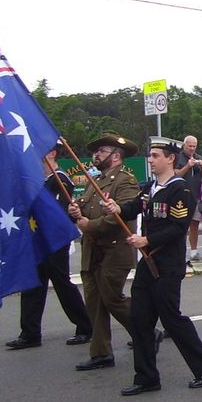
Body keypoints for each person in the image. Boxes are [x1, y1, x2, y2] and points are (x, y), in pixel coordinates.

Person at [104, 137, 202, 395]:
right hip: (148, 262)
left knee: (171, 318)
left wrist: (147, 239)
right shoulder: (151, 187)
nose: (151, 160)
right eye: (150, 155)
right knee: (140, 318)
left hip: (167, 264)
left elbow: (178, 228)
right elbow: (135, 206)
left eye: (156, 156)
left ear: (170, 158)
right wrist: (116, 208)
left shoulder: (181, 190)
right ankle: (146, 377)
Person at [6, 144, 93, 350]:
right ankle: (30, 332)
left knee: (62, 284)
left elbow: (58, 213)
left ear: (52, 153)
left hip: (54, 241)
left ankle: (85, 326)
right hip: (38, 239)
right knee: (33, 285)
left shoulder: (59, 180)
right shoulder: (39, 180)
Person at [67, 133, 140, 372]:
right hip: (93, 251)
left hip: (114, 250)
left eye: (101, 151)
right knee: (95, 303)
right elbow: (85, 209)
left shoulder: (125, 181)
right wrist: (75, 210)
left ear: (116, 156)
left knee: (112, 298)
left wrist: (90, 225)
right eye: (96, 152)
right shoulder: (93, 181)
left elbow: (120, 216)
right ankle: (101, 353)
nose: (96, 155)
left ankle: (146, 330)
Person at [174, 135, 202, 263]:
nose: (192, 148)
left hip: (196, 196)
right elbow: (175, 174)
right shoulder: (178, 157)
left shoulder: (198, 157)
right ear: (184, 145)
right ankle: (179, 253)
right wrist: (188, 166)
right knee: (182, 225)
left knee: (195, 224)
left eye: (194, 146)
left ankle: (194, 252)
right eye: (190, 146)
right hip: (182, 197)